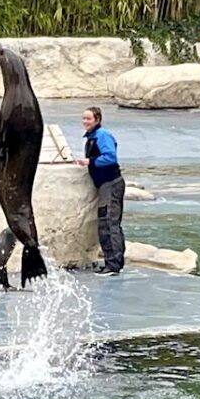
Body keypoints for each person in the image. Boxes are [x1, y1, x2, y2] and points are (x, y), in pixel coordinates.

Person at [75, 106, 126, 275]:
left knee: (109, 222)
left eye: (88, 119)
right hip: (104, 184)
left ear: (97, 119)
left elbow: (110, 156)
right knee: (105, 223)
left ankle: (114, 264)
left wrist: (90, 161)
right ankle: (112, 262)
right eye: (83, 118)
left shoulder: (102, 135)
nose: (85, 121)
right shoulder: (92, 136)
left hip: (110, 183)